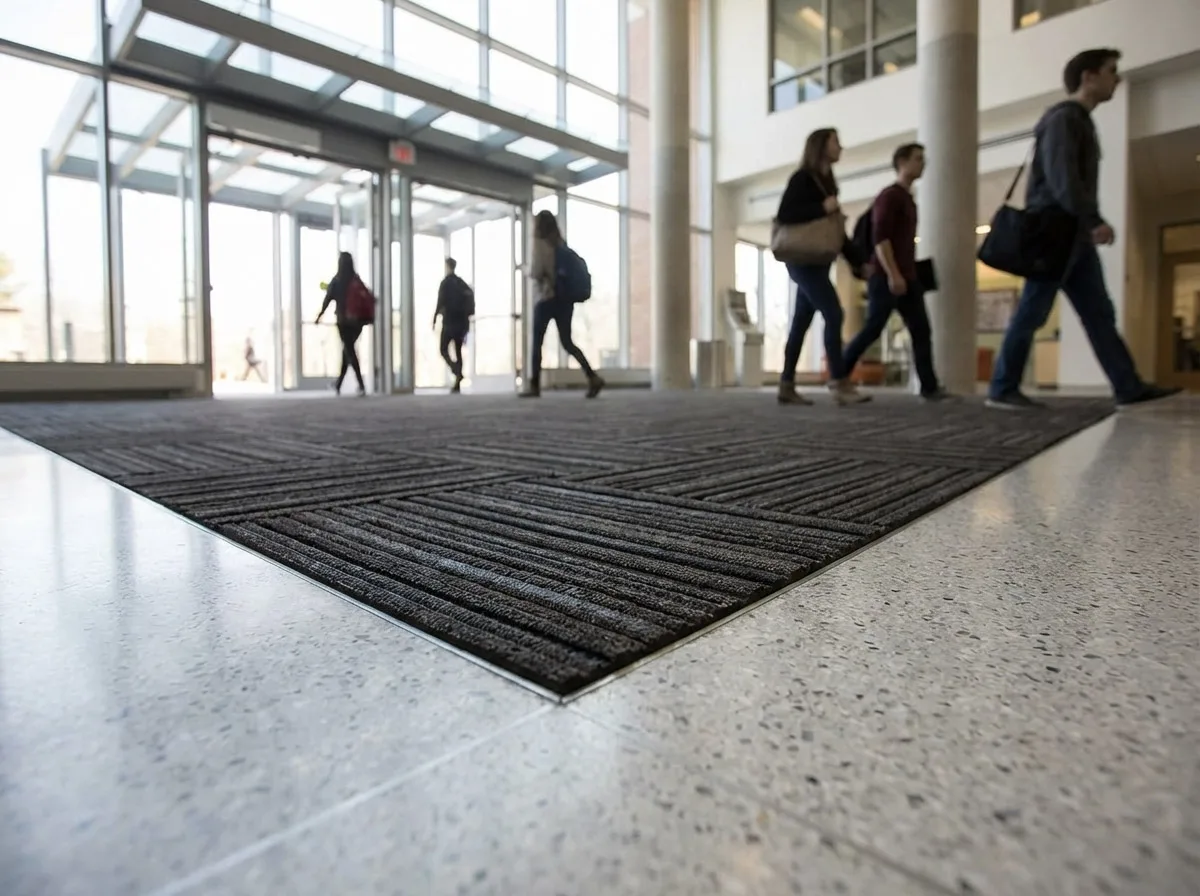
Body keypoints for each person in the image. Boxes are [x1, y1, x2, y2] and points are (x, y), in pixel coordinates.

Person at [988, 48, 1178, 410]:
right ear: (1089, 77)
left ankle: (1128, 386)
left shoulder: (1078, 120)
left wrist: (1085, 222)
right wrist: (1092, 219)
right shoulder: (1064, 119)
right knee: (1033, 311)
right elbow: (1063, 179)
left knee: (1098, 312)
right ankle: (1002, 387)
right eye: (1111, 71)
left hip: (1071, 234)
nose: (1117, 79)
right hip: (1056, 233)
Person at [843, 143, 948, 402]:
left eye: (923, 159)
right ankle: (839, 373)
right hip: (887, 277)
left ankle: (929, 387)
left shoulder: (909, 200)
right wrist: (893, 274)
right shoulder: (890, 196)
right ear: (901, 162)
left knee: (921, 330)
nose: (922, 163)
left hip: (909, 278)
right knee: (873, 329)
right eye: (917, 159)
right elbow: (881, 238)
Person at [774, 128, 869, 406]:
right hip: (801, 260)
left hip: (817, 262)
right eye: (836, 142)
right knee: (834, 313)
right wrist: (821, 208)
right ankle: (839, 382)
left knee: (800, 323)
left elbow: (835, 232)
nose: (841, 147)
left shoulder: (827, 184)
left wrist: (858, 262)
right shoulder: (802, 179)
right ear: (820, 146)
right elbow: (785, 215)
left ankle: (786, 385)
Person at [521, 209, 603, 399]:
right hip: (564, 300)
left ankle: (534, 386)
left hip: (546, 299)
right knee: (567, 342)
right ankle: (592, 376)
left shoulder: (539, 243)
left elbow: (536, 271)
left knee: (537, 343)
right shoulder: (559, 243)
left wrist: (524, 269)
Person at [316, 251, 367, 397]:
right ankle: (339, 384)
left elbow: (327, 300)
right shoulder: (356, 280)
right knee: (348, 351)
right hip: (357, 322)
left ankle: (360, 385)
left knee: (349, 351)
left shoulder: (336, 281)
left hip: (343, 322)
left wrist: (319, 316)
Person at [432, 257, 474, 394]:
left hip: (449, 321)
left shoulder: (445, 283)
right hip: (461, 322)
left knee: (443, 349)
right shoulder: (461, 283)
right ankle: (457, 380)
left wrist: (434, 318)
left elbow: (440, 301)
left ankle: (456, 372)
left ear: (447, 266)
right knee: (458, 350)